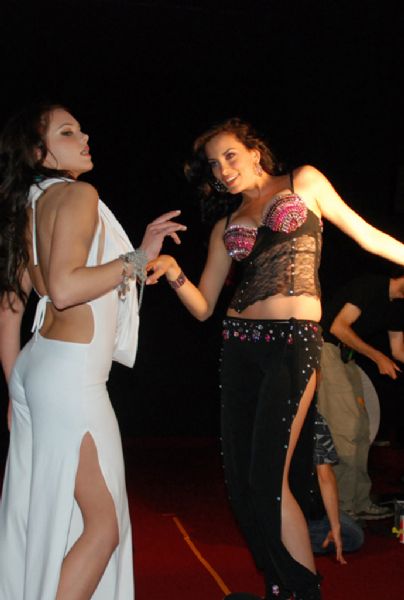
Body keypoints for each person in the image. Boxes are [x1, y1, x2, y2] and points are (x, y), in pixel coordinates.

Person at [146, 118, 404, 600]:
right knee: (244, 483)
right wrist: (175, 271)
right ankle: (283, 588)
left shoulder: (304, 182)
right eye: (213, 165)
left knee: (268, 477)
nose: (222, 170)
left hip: (293, 340)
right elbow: (203, 307)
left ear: (254, 152)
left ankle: (302, 590)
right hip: (240, 344)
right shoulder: (226, 224)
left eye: (230, 156)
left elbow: (367, 236)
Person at [0, 103, 186, 600]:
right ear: (39, 153)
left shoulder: (31, 206)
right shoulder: (79, 194)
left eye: (81, 129)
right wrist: (139, 257)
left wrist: (16, 389)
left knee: (73, 517)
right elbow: (64, 288)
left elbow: (10, 307)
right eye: (67, 132)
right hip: (71, 377)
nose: (84, 138)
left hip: (40, 368)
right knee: (103, 527)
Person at [317, 273, 404, 520]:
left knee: (361, 427)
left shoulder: (397, 308)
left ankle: (359, 502)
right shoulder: (372, 285)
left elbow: (398, 350)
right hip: (325, 348)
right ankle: (342, 506)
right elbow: (338, 327)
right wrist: (377, 357)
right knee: (346, 427)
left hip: (347, 357)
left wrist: (382, 357)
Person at [308, 411, 364, 560]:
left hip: (271, 509)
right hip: (302, 510)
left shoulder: (264, 415)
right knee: (354, 536)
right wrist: (335, 526)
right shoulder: (313, 420)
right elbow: (325, 476)